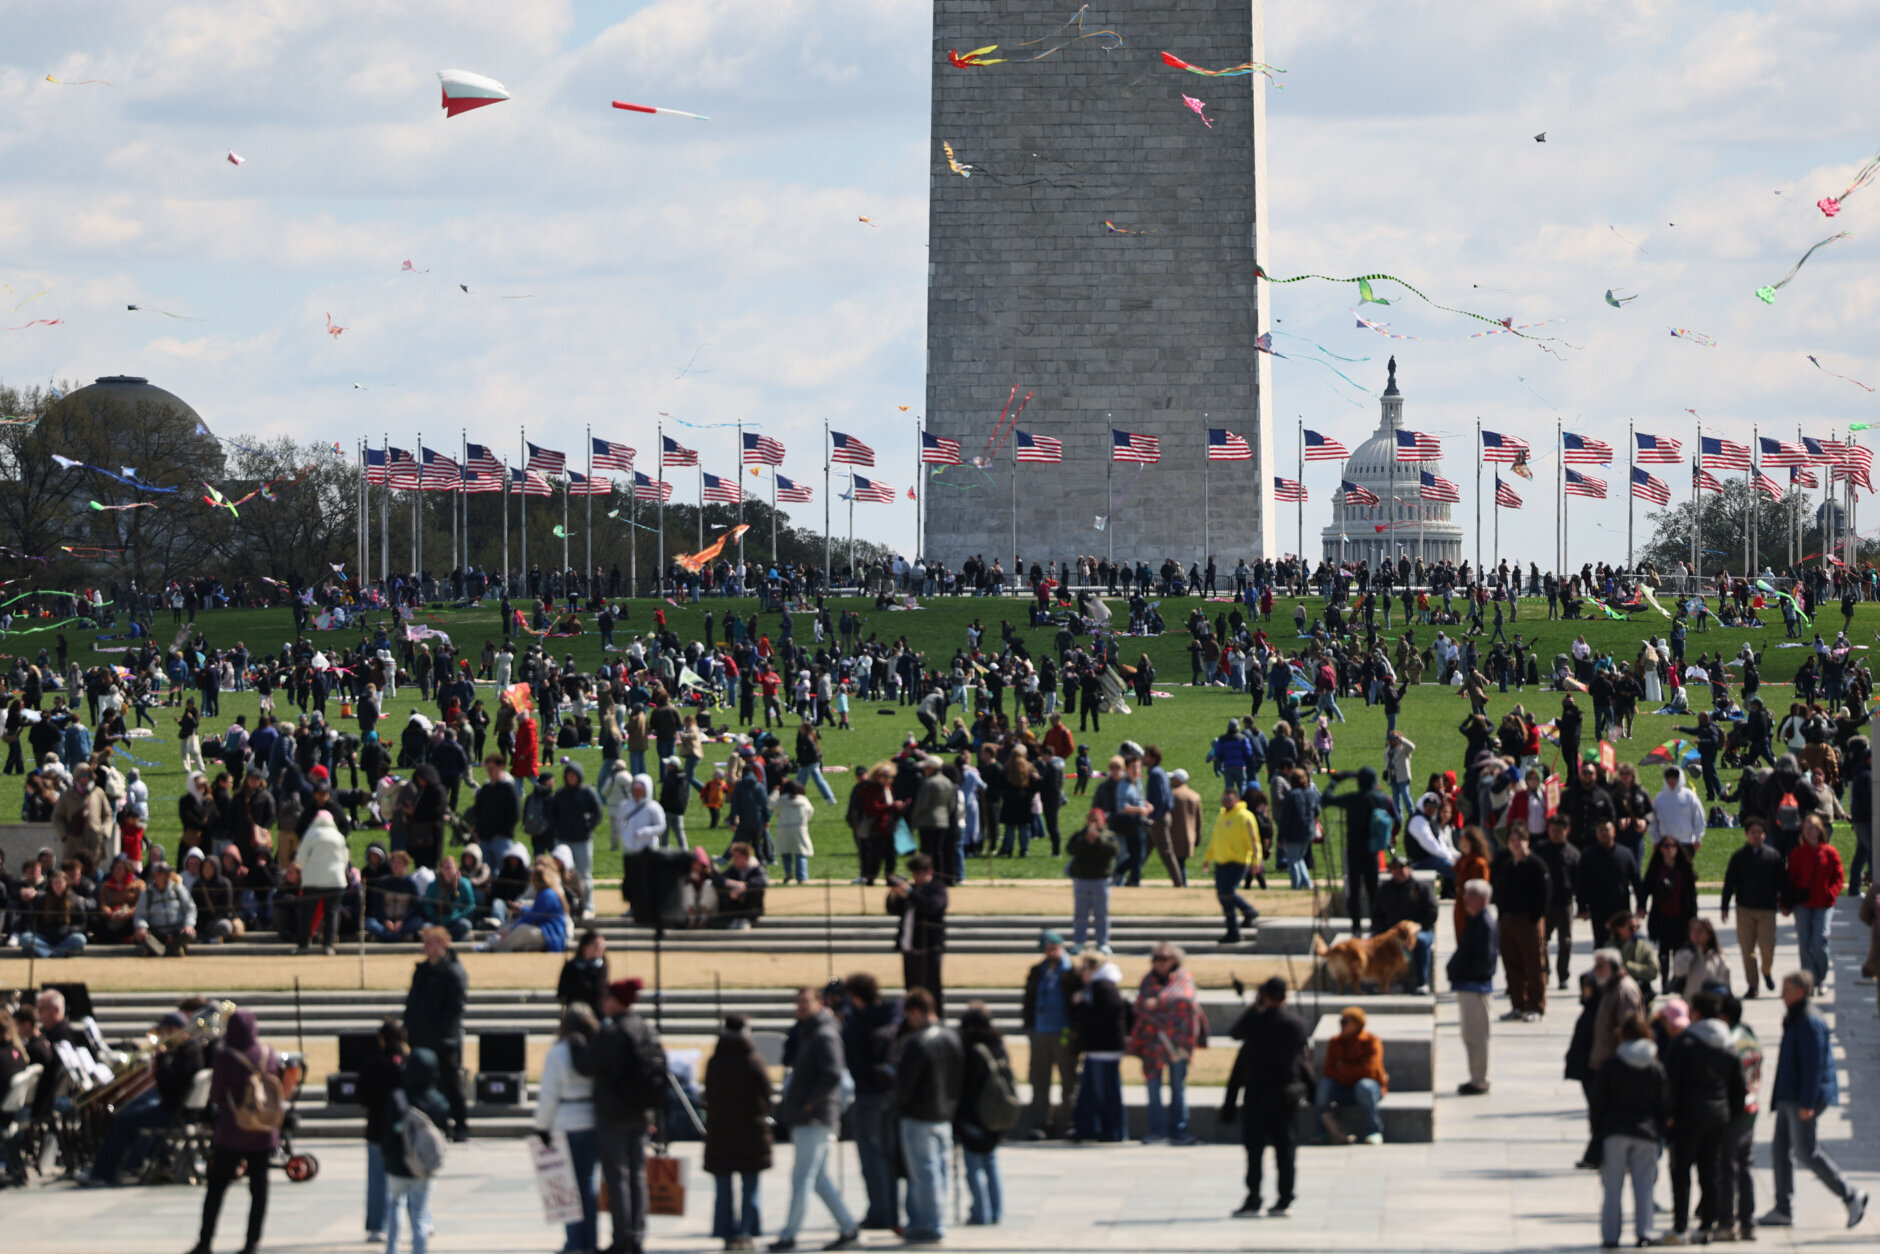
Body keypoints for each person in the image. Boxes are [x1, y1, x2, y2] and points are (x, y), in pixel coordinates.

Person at [1762, 971, 1869, 1231]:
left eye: (1786, 989)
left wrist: (1808, 1103)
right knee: (1779, 1150)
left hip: (1801, 1097)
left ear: (1800, 991)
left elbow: (1814, 1066)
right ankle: (1782, 1207)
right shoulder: (1796, 1016)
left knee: (1805, 1152)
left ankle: (1850, 1194)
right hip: (1790, 1095)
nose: (1781, 995)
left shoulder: (1809, 1021)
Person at [189, 1009, 286, 1254]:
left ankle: (205, 1241)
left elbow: (217, 1094)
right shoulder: (267, 1053)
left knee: (217, 1188)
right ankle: (252, 1242)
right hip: (263, 1130)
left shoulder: (224, 1055)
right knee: (259, 1190)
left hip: (234, 1130)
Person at [770, 986, 858, 1252]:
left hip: (815, 1116)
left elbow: (832, 1074)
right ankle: (848, 1226)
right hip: (806, 1114)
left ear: (819, 1003)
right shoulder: (806, 1031)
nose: (801, 1007)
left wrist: (809, 1104)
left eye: (806, 1002)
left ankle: (789, 1234)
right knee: (818, 1178)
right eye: (798, 1002)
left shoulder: (824, 1034)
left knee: (802, 1177)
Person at [587, 978, 668, 1254]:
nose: (602, 1003)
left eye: (607, 998)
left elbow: (588, 1064)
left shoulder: (612, 1033)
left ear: (617, 1001)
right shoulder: (646, 1028)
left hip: (613, 1113)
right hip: (641, 1112)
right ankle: (637, 1236)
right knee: (637, 1176)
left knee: (617, 1176)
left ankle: (622, 1238)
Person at [1221, 976, 1313, 1218]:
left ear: (1264, 996)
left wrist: (1254, 1009)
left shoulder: (1255, 1023)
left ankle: (1253, 1199)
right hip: (1287, 1093)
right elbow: (1303, 1057)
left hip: (1257, 1092)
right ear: (1286, 997)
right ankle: (1285, 1198)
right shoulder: (1297, 1024)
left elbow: (1235, 1033)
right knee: (1286, 1148)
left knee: (1255, 1149)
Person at [1663, 989, 1745, 1244]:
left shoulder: (1684, 1043)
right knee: (1710, 1172)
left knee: (1681, 1171)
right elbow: (1739, 1088)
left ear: (1695, 1013)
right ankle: (1706, 1226)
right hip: (1718, 1117)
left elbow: (1671, 1083)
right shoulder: (1729, 1044)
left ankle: (1680, 1226)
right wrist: (1731, 1114)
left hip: (1687, 1117)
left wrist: (1668, 1114)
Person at [891, 987, 963, 1244]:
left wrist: (898, 1105)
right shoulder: (951, 1037)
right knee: (937, 1171)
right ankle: (931, 1220)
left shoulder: (918, 1042)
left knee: (924, 1173)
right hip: (944, 1114)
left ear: (917, 1013)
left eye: (909, 1017)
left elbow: (905, 1084)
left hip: (919, 1115)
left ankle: (931, 1224)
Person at [1592, 1015, 1669, 1249]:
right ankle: (1644, 1232)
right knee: (1645, 1186)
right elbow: (1664, 1103)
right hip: (1646, 1132)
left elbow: (1598, 1101)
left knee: (1612, 1188)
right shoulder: (1655, 1066)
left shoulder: (1612, 1065)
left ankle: (1610, 1236)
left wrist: (1598, 1130)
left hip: (1615, 1132)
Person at [840, 972, 902, 1230]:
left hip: (868, 1094)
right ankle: (891, 1211)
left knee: (871, 1157)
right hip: (890, 1094)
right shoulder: (890, 1017)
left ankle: (880, 1213)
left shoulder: (858, 1025)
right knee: (887, 1156)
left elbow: (850, 1055)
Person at [705, 1014, 772, 1251]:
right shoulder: (754, 1060)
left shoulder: (715, 1061)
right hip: (750, 1131)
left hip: (720, 1131)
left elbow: (708, 1095)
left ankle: (725, 1231)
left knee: (723, 1187)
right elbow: (766, 1093)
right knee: (750, 1184)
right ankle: (746, 1231)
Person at [1127, 941, 1205, 1144]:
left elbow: (1186, 1000)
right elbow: (1141, 1005)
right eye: (1156, 958)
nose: (1159, 963)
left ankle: (1180, 1130)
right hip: (1152, 1044)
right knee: (1153, 1088)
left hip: (1178, 1044)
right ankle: (1156, 1130)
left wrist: (1159, 1001)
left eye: (1164, 958)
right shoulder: (1147, 980)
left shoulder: (1183, 978)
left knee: (1178, 1087)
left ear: (1174, 960)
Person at [382, 1045, 451, 1254]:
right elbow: (444, 1131)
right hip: (425, 1164)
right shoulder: (439, 1101)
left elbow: (387, 1133)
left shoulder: (398, 1099)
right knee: (420, 1214)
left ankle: (392, 1249)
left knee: (395, 1204)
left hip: (398, 1162)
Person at [405, 925, 471, 1142]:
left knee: (450, 1084)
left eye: (431, 942)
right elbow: (412, 1002)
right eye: (424, 942)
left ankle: (460, 1125)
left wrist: (442, 1033)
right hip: (420, 1037)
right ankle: (433, 1125)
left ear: (444, 944)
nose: (426, 946)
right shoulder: (422, 970)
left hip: (444, 1040)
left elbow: (455, 1007)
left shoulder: (453, 970)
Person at [1020, 930, 1079, 1140]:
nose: (1050, 953)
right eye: (1047, 949)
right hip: (1040, 1032)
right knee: (1039, 1080)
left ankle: (1066, 1122)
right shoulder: (1037, 971)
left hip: (1063, 1032)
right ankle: (1040, 1123)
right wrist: (1029, 1026)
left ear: (1061, 948)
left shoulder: (1072, 972)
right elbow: (1028, 999)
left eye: (1054, 949)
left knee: (1068, 1080)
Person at [955, 1002, 1010, 1225]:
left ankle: (980, 1212)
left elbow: (967, 1087)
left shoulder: (971, 1050)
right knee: (990, 1163)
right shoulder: (998, 1045)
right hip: (996, 1115)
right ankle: (995, 1212)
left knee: (974, 1167)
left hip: (974, 1117)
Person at [1720, 816, 1787, 996]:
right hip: (1745, 909)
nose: (1756, 835)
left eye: (1760, 832)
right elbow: (1729, 883)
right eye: (1753, 832)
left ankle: (1766, 971)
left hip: (1767, 910)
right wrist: (1724, 907)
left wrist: (1786, 903)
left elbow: (1783, 883)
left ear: (1765, 835)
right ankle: (1753, 986)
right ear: (1746, 835)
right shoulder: (1739, 858)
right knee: (1747, 951)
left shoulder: (1773, 857)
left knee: (1767, 948)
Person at [1491, 827, 1550, 1021]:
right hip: (1508, 921)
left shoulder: (1537, 865)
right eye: (1512, 841)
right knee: (1512, 965)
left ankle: (1536, 1006)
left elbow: (1545, 894)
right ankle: (1518, 1004)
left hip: (1529, 921)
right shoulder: (1507, 865)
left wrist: (1535, 917)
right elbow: (1499, 892)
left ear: (1527, 841)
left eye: (1520, 840)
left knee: (1534, 965)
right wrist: (1502, 915)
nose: (1516, 844)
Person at [356, 1018, 407, 1242]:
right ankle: (421, 1219)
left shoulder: (373, 1064)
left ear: (382, 1038)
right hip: (406, 1130)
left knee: (377, 1179)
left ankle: (378, 1226)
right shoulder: (409, 1063)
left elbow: (361, 1096)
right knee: (412, 1177)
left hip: (377, 1128)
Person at [1070, 952, 1128, 1143]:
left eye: (1084, 968)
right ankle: (1091, 1128)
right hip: (1097, 1049)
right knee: (1093, 1091)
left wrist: (1080, 1005)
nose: (1081, 973)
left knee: (1107, 1092)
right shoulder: (1095, 986)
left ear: (1095, 968)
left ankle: (1113, 1130)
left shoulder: (1103, 987)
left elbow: (1102, 1017)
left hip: (1105, 1049)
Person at [1448, 878, 1498, 1095]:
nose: (1465, 899)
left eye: (1471, 895)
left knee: (1476, 1036)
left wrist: (1464, 972)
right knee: (1470, 1035)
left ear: (1483, 899)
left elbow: (1485, 960)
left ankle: (1479, 1080)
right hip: (1468, 985)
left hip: (1475, 988)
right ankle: (1475, 1077)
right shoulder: (1475, 921)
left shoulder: (1485, 924)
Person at [1316, 1006, 1388, 1145]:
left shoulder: (1371, 1041)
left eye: (1345, 1022)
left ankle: (1374, 1131)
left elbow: (1370, 1070)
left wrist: (1343, 1067)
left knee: (1364, 1085)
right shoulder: (1335, 1042)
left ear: (1357, 1023)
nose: (1341, 1025)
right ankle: (1323, 1131)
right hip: (1344, 1087)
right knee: (1324, 1085)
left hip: (1368, 1089)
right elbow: (1329, 1071)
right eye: (1340, 1022)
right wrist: (1354, 1070)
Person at [1786, 814, 1843, 989]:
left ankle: (1821, 977)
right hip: (1802, 904)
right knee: (1804, 942)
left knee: (1820, 938)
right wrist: (1785, 903)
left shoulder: (1830, 852)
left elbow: (1838, 877)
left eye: (1812, 828)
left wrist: (1831, 893)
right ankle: (1808, 980)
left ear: (1820, 831)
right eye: (1806, 829)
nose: (1809, 832)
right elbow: (1790, 880)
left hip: (1824, 903)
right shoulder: (1797, 853)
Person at [888, 854, 948, 1013]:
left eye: (919, 873)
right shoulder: (913, 890)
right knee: (911, 990)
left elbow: (931, 907)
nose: (916, 877)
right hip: (909, 948)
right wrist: (894, 894)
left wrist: (910, 893)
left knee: (931, 990)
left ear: (929, 871)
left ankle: (936, 1018)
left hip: (928, 949)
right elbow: (893, 909)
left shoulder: (937, 888)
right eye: (914, 873)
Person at [1201, 787, 1261, 944]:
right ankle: (1233, 931)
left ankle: (1249, 911)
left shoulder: (1244, 816)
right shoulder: (1221, 816)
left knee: (1227, 892)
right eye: (1224, 799)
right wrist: (1208, 858)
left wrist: (1256, 861)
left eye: (1229, 799)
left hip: (1239, 862)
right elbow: (1215, 839)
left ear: (1237, 800)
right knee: (1223, 897)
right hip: (1221, 862)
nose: (1226, 802)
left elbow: (1254, 841)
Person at [1373, 854, 1438, 991]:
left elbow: (1432, 912)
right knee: (1377, 943)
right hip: (1391, 933)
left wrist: (1418, 927)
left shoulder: (1422, 888)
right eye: (1394, 868)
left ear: (1409, 868)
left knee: (1420, 942)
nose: (1399, 870)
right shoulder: (1384, 890)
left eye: (1402, 867)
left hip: (1420, 931)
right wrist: (1382, 932)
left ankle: (1421, 983)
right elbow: (1376, 915)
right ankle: (1384, 983)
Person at [1575, 819, 1643, 950]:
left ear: (1614, 832)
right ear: (1596, 834)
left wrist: (1641, 905)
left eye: (1607, 830)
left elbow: (1636, 881)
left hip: (1621, 908)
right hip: (1598, 909)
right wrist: (1582, 908)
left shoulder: (1625, 854)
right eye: (1601, 830)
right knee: (1601, 945)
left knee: (1624, 945)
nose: (1604, 833)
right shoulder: (1588, 856)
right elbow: (1581, 884)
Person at [294, 808, 350, 955]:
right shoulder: (338, 836)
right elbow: (345, 859)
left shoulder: (311, 834)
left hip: (312, 880)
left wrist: (307, 869)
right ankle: (328, 945)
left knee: (307, 912)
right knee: (332, 912)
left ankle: (304, 944)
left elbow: (300, 859)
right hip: (335, 880)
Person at [483, 858, 569, 952]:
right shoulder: (548, 892)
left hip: (553, 934)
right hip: (547, 931)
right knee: (517, 925)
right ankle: (493, 943)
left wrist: (512, 929)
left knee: (521, 929)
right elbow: (536, 912)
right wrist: (522, 909)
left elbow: (533, 916)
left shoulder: (546, 894)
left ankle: (494, 947)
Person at [1065, 805, 1117, 952]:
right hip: (1082, 879)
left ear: (1102, 821)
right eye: (1091, 819)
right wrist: (1085, 841)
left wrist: (1098, 839)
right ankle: (1079, 942)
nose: (1093, 823)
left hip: (1101, 879)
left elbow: (1113, 851)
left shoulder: (1109, 836)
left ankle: (1102, 943)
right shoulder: (1079, 835)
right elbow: (1070, 850)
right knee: (1080, 914)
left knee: (1101, 914)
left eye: (1096, 820)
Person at [1670, 917, 1732, 999]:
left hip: (1713, 1005)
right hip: (1690, 1004)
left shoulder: (1718, 957)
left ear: (1709, 935)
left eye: (1700, 931)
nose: (1695, 934)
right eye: (1693, 930)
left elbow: (1726, 983)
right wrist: (1688, 955)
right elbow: (1678, 972)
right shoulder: (1684, 953)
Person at [559, 928, 610, 1016]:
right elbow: (562, 991)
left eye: (602, 945)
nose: (601, 948)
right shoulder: (571, 965)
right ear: (585, 946)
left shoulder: (602, 966)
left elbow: (599, 989)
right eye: (597, 945)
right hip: (574, 1013)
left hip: (596, 1013)